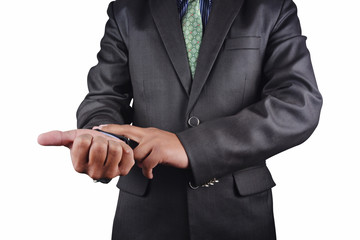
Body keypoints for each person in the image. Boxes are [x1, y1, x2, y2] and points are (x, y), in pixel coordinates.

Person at [38, 0, 322, 239]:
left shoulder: (271, 6)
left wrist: (190, 147)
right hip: (144, 216)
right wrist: (105, 137)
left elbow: (297, 103)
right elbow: (104, 97)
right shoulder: (127, 9)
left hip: (240, 216)